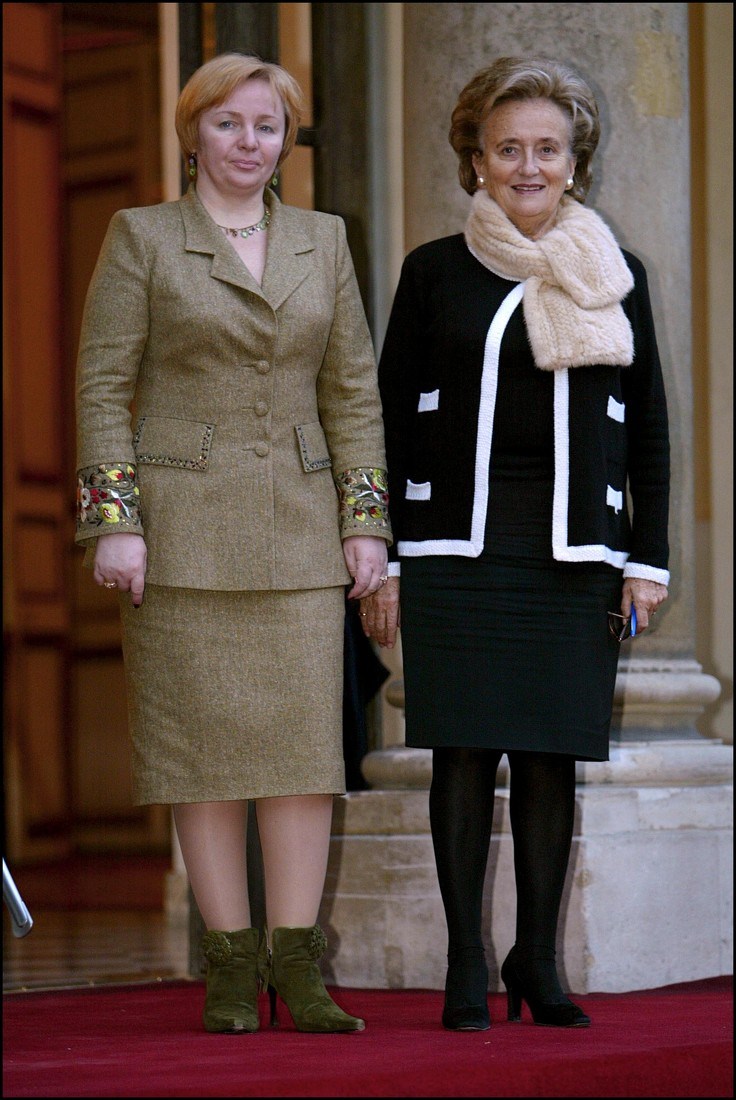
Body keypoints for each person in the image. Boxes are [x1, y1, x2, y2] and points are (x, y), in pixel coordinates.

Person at [74, 52, 392, 1034]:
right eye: (229, 124)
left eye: (268, 125)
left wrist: (365, 520)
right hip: (179, 537)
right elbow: (100, 385)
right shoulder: (142, 238)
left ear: (287, 138)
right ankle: (225, 965)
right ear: (191, 132)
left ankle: (298, 966)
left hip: (299, 533)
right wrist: (115, 521)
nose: (250, 142)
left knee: (302, 756)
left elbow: (351, 390)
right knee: (201, 757)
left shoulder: (322, 240)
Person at [359, 56, 670, 1031]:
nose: (527, 165)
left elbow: (649, 428)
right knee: (462, 748)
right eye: (508, 149)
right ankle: (463, 958)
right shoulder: (433, 272)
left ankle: (534, 956)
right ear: (476, 161)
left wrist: (644, 557)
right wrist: (388, 549)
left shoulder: (618, 277)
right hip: (456, 545)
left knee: (548, 757)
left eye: (546, 148)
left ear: (573, 161)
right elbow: (387, 422)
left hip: (573, 549)